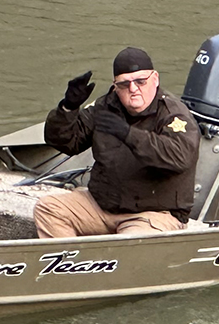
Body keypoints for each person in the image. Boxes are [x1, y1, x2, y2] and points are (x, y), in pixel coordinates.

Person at [33, 47, 200, 239]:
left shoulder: (173, 114)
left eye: (140, 81)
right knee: (48, 209)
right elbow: (67, 143)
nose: (133, 89)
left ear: (155, 79)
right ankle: (73, 264)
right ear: (115, 86)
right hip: (103, 205)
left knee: (131, 241)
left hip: (153, 213)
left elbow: (179, 157)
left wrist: (128, 134)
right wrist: (68, 108)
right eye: (124, 84)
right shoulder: (106, 106)